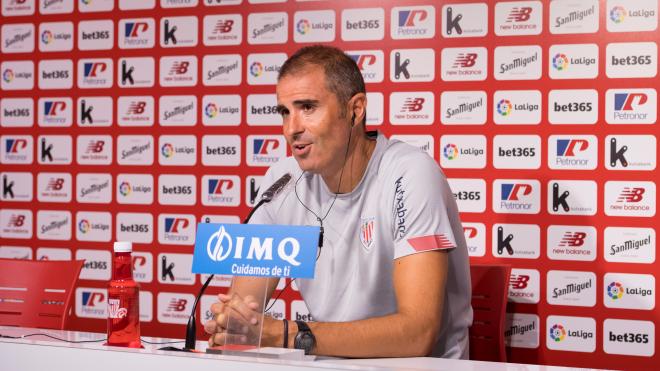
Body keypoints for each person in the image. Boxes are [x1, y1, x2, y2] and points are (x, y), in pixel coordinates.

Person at [204, 45, 472, 359]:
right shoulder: (282, 180)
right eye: (285, 112)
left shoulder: (410, 174)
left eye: (307, 107)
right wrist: (232, 323)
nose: (292, 129)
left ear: (355, 110)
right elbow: (244, 310)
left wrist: (285, 333)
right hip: (328, 363)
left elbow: (417, 335)